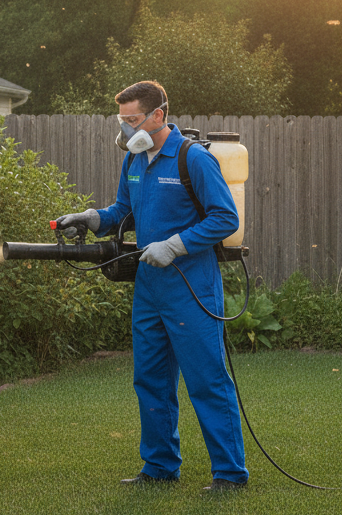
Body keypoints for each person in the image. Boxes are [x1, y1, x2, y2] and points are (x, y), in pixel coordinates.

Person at [56, 80, 250, 493]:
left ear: (158, 114)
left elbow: (225, 218)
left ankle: (230, 474)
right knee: (150, 379)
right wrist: (92, 218)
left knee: (207, 381)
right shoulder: (135, 159)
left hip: (190, 286)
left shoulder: (192, 159)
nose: (126, 128)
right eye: (122, 120)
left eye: (133, 119)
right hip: (149, 288)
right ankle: (160, 467)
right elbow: (123, 211)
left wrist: (175, 245)